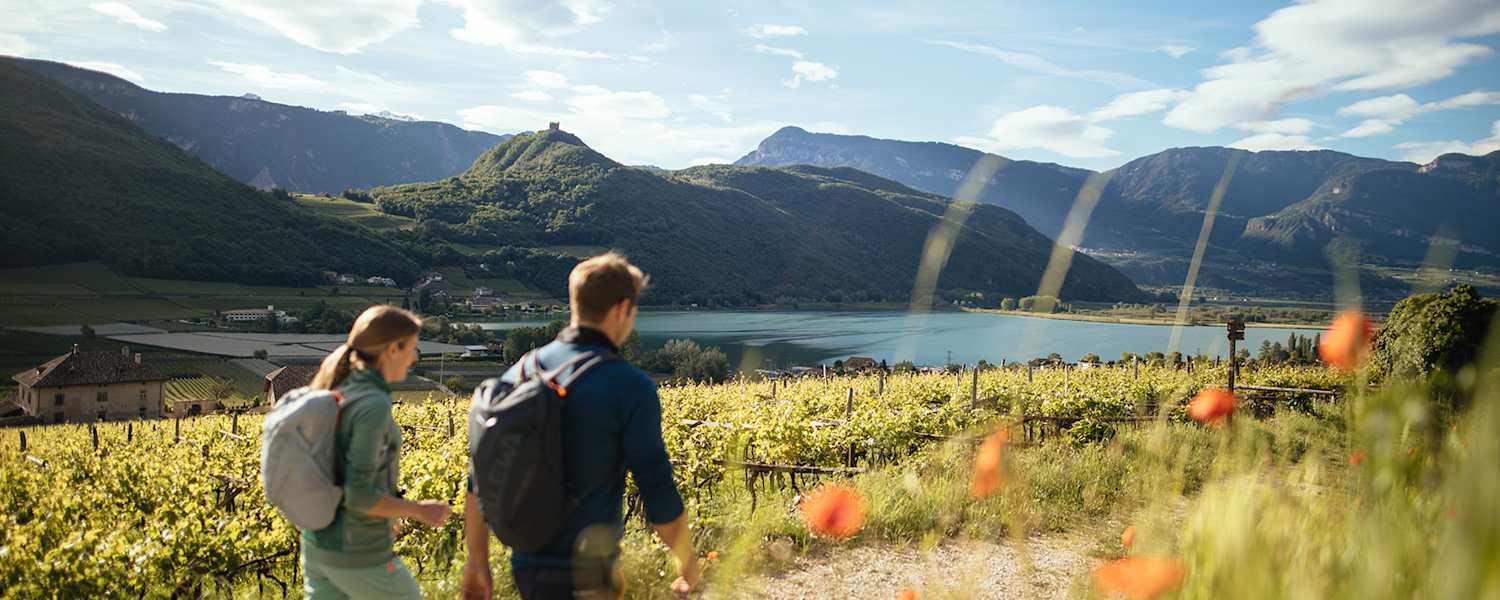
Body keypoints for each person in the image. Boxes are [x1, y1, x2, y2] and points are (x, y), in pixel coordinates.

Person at [462, 253, 698, 600]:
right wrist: (688, 562)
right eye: (633, 312)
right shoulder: (628, 385)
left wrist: (477, 563)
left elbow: (478, 479)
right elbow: (657, 489)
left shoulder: (520, 372)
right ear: (621, 309)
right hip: (588, 574)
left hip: (527, 570)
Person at [301, 305, 453, 599]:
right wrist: (420, 509)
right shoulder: (372, 405)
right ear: (392, 349)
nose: (414, 357)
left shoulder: (341, 388)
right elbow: (359, 496)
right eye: (412, 348)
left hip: (317, 544)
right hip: (358, 551)